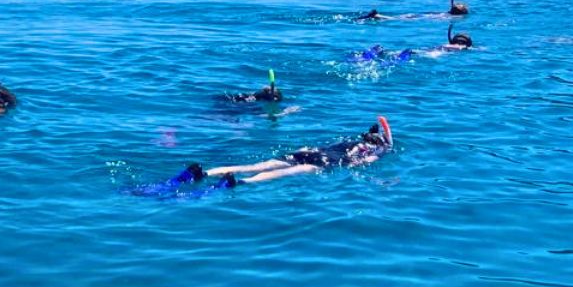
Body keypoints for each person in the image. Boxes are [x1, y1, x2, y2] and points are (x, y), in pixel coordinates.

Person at [143, 118, 394, 192]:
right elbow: (369, 161)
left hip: (307, 152)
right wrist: (387, 144)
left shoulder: (348, 140)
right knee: (279, 174)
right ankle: (238, 183)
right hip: (323, 163)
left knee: (254, 163)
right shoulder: (369, 152)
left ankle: (202, 172)